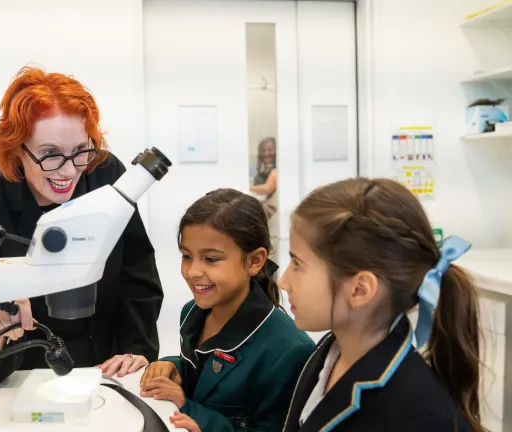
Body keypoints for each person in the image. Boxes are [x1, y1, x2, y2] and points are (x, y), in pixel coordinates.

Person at [0, 66, 164, 382]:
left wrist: (136, 348)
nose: (69, 171)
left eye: (80, 151)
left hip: (111, 360)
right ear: (17, 148)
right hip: (33, 370)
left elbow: (137, 271)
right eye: (50, 154)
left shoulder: (106, 176)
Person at [280, 178, 479, 431]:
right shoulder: (330, 351)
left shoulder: (424, 418)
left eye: (298, 264)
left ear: (360, 290)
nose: (284, 281)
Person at [133, 189, 314, 431]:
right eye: (187, 256)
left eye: (211, 259)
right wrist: (175, 367)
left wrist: (188, 408)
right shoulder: (191, 312)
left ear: (254, 261)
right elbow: (207, 377)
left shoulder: (291, 351)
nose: (193, 271)